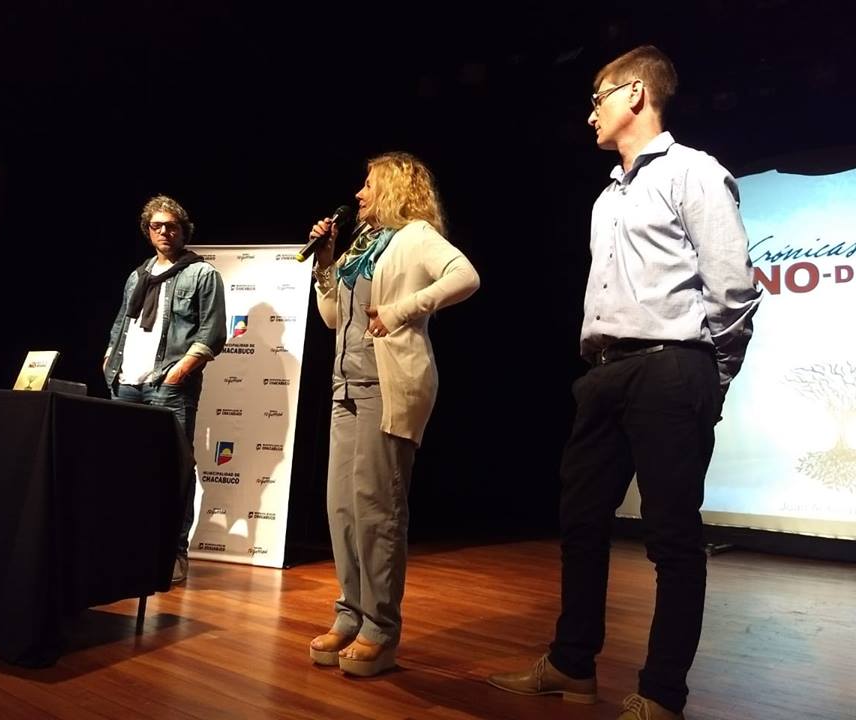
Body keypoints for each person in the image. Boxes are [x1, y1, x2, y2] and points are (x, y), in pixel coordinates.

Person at [487, 46, 762, 719]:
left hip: (672, 367)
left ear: (635, 93)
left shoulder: (695, 172)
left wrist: (711, 377)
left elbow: (732, 289)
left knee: (671, 536)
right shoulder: (606, 198)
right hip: (603, 372)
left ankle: (662, 695)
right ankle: (571, 664)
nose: (589, 115)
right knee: (580, 523)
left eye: (598, 98)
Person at [307, 151, 480, 677]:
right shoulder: (363, 243)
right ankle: (350, 614)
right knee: (341, 508)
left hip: (387, 387)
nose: (358, 193)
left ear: (393, 189)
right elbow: (333, 318)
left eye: (368, 184)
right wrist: (325, 265)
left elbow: (466, 276)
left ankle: (380, 629)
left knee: (376, 511)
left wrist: (403, 310)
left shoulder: (415, 237)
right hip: (344, 388)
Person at [103, 194, 226, 585]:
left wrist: (180, 371)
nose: (164, 232)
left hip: (168, 387)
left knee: (174, 471)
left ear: (183, 230)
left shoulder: (202, 274)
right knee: (125, 469)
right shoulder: (137, 275)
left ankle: (174, 552)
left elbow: (212, 333)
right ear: (148, 231)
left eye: (171, 226)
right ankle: (127, 547)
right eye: (156, 226)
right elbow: (122, 323)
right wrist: (109, 359)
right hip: (126, 383)